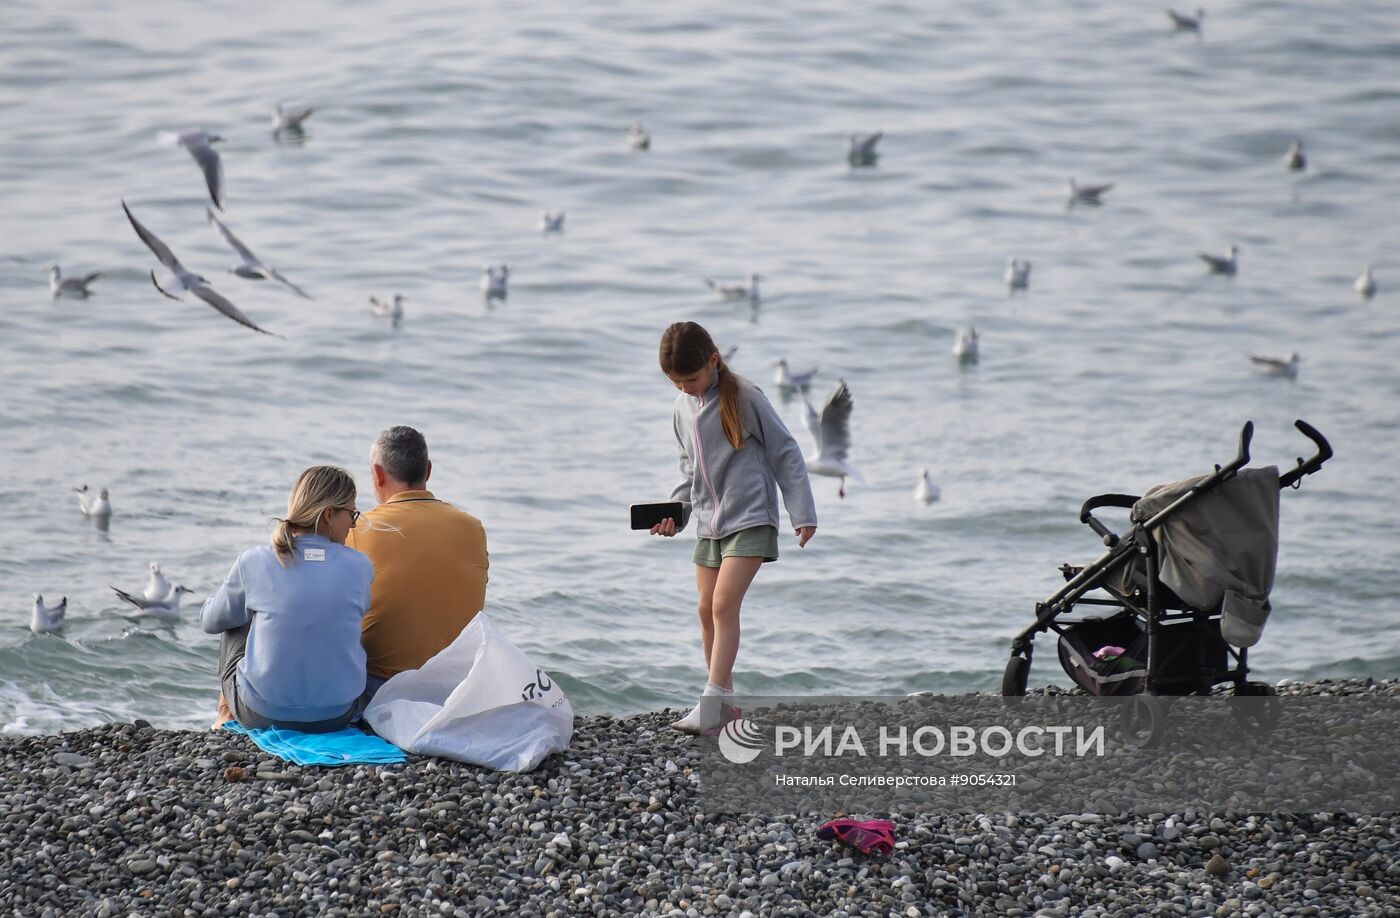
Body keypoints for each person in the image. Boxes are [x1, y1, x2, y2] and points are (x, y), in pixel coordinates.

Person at [652, 321, 818, 733]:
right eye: (676, 383)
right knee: (706, 610)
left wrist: (803, 512)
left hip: (750, 517)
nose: (685, 389)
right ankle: (724, 706)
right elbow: (689, 470)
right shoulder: (681, 408)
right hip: (709, 523)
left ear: (712, 361)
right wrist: (677, 514)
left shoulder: (745, 397)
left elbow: (786, 451)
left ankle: (712, 704)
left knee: (724, 605)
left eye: (690, 379)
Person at [202, 466, 374, 732]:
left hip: (261, 713)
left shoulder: (255, 560)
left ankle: (224, 714)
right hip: (336, 716)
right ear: (329, 514)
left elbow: (210, 622)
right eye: (351, 515)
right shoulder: (360, 566)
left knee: (235, 618)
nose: (352, 525)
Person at [346, 425, 489, 698]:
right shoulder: (473, 528)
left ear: (377, 474)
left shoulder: (357, 530)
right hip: (456, 687)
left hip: (381, 688)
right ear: (428, 470)